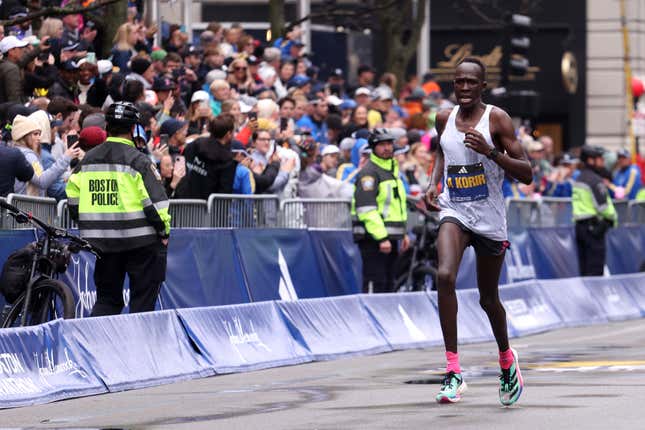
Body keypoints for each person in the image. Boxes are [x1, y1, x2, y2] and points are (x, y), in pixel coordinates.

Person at [424, 58, 532, 405]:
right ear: (453, 86)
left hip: (489, 219)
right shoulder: (444, 118)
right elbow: (442, 151)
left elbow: (527, 172)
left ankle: (506, 360)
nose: (465, 88)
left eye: (471, 82)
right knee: (444, 276)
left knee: (488, 299)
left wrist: (491, 152)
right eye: (459, 82)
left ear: (482, 86)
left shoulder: (496, 119)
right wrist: (433, 182)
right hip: (455, 210)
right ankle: (453, 372)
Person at [65, 102, 171, 316]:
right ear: (133, 129)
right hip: (142, 242)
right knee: (142, 303)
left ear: (107, 127)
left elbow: (73, 196)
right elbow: (156, 204)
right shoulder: (139, 160)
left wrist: (87, 222)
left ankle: (99, 346)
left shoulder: (88, 160)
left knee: (107, 300)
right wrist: (163, 231)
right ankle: (138, 348)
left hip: (103, 242)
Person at [352, 128, 409, 294]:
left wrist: (402, 233)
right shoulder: (369, 173)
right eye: (382, 145)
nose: (387, 148)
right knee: (375, 283)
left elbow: (396, 206)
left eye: (389, 144)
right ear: (373, 148)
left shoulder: (391, 170)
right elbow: (366, 209)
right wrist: (381, 238)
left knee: (389, 284)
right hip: (373, 239)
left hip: (391, 237)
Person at [573, 145, 617, 276]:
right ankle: (595, 296)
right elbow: (604, 207)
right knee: (595, 270)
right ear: (591, 160)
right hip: (594, 229)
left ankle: (587, 296)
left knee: (585, 269)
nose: (603, 162)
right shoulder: (595, 180)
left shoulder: (580, 177)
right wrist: (612, 218)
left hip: (580, 227)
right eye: (600, 159)